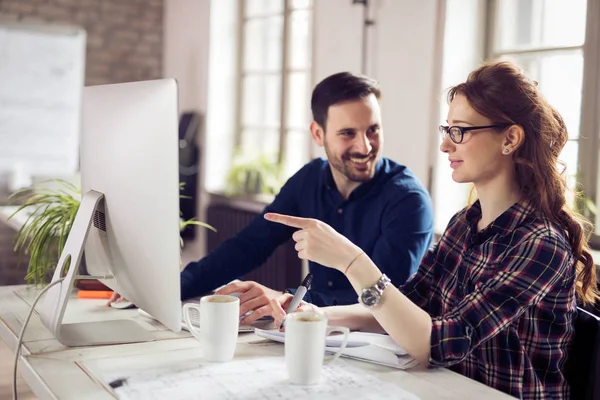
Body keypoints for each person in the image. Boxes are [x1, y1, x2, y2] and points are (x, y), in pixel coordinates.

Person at [265, 60, 599, 399]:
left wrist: (351, 261)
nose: (445, 146)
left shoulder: (540, 244)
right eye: (447, 130)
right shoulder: (463, 225)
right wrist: (315, 314)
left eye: (461, 131)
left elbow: (439, 344)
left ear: (510, 138)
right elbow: (403, 310)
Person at [112, 72, 433, 321]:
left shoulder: (409, 201)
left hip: (378, 348)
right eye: (348, 133)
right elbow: (250, 245)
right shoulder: (309, 179)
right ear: (318, 134)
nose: (364, 146)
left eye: (373, 130)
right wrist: (167, 289)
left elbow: (388, 301)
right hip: (310, 329)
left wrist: (285, 298)